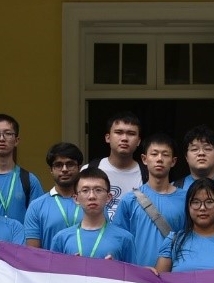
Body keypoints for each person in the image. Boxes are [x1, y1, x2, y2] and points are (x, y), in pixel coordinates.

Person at [113, 134, 187, 268]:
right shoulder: (130, 200)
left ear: (173, 161)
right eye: (154, 154)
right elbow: (118, 242)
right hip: (138, 278)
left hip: (176, 277)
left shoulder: (186, 199)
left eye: (165, 155)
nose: (159, 159)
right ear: (144, 159)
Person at [49, 167, 135, 261]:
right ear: (76, 198)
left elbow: (133, 274)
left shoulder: (125, 238)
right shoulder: (61, 238)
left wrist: (115, 269)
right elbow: (53, 274)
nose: (92, 196)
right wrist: (70, 268)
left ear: (108, 197)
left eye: (98, 190)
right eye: (85, 190)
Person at [23, 142, 84, 250]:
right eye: (58, 165)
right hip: (50, 266)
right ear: (51, 170)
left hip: (87, 265)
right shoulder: (36, 206)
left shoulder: (92, 202)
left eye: (70, 164)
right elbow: (33, 253)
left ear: (79, 168)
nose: (64, 169)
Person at [0, 113, 42, 223]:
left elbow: (38, 220)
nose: (1, 138)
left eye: (8, 133)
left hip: (19, 240)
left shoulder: (29, 180)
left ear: (16, 140)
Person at [97, 112, 144, 213]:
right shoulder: (91, 169)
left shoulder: (147, 174)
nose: (124, 138)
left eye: (131, 134)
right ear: (108, 138)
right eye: (119, 132)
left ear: (138, 141)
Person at [181, 124, 214, 192]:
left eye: (207, 149)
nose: (201, 153)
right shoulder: (175, 188)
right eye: (194, 149)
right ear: (186, 157)